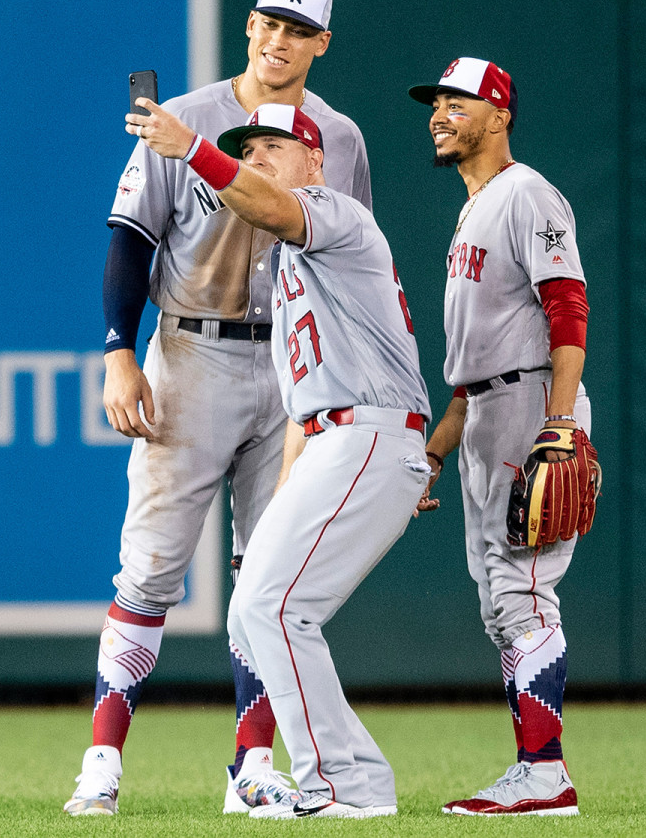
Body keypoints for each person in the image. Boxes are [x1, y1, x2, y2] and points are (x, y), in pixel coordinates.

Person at [63, 0, 373, 817]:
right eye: (269, 23)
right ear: (248, 26)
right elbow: (129, 238)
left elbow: (350, 266)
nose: (279, 40)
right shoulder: (188, 119)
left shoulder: (339, 138)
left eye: (297, 30)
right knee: (152, 567)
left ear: (321, 45)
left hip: (293, 368)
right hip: (192, 352)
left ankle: (252, 765)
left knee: (270, 572)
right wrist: (116, 354)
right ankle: (102, 761)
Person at [128, 99, 431, 819]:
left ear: (315, 160)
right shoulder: (294, 264)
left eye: (274, 145)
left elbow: (266, 203)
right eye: (249, 146)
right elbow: (304, 403)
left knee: (274, 607)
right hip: (341, 441)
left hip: (369, 433)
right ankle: (359, 777)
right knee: (254, 614)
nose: (258, 157)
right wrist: (301, 491)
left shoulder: (334, 213)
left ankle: (342, 787)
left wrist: (196, 149)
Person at [409, 57, 591, 816]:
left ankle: (545, 774)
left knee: (521, 589)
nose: (439, 113)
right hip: (487, 409)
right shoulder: (474, 208)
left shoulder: (526, 193)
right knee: (499, 599)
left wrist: (558, 418)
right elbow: (469, 365)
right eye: (436, 103)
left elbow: (568, 308)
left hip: (529, 401)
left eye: (459, 101)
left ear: (501, 113)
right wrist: (436, 449)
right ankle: (534, 770)